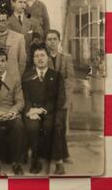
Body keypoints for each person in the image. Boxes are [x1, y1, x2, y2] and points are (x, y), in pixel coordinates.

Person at [22, 43, 66, 175]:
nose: (40, 58)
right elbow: (24, 97)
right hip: (32, 111)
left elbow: (60, 99)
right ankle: (36, 161)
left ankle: (59, 162)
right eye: (37, 56)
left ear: (47, 57)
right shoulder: (27, 76)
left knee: (51, 126)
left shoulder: (57, 76)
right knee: (32, 127)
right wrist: (29, 111)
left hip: (50, 111)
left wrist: (42, 110)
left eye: (43, 55)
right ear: (33, 59)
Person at [0, 45, 24, 175]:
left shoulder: (14, 78)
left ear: (7, 62)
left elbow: (20, 101)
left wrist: (11, 113)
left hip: (10, 113)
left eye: (3, 61)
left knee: (18, 125)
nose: (0, 64)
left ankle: (16, 163)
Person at [45, 29, 75, 162]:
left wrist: (66, 97)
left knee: (61, 125)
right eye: (49, 39)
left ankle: (63, 154)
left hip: (62, 98)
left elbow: (70, 79)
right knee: (53, 125)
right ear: (46, 42)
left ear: (59, 41)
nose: (52, 42)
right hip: (47, 98)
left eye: (54, 39)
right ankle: (58, 155)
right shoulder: (42, 57)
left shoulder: (66, 58)